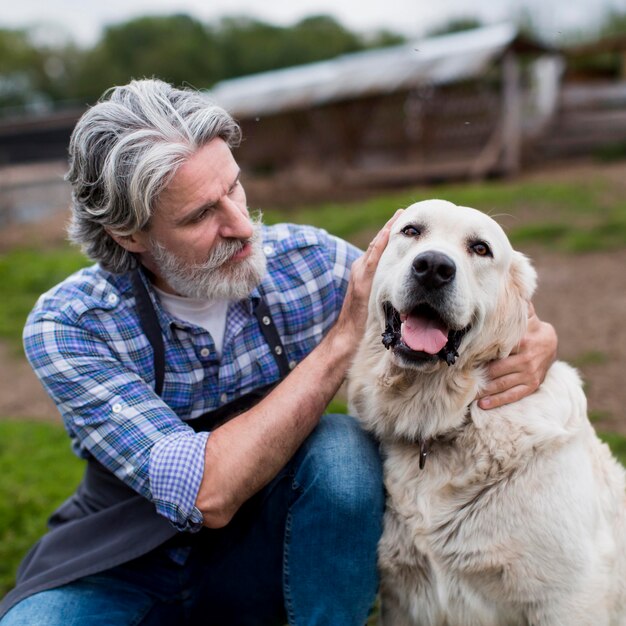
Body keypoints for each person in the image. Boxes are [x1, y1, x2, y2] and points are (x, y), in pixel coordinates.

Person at [0, 79, 557, 626]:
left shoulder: (307, 262)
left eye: (234, 188)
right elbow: (206, 493)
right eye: (200, 215)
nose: (242, 226)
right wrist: (341, 342)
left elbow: (462, 296)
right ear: (129, 235)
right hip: (118, 561)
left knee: (341, 453)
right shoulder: (72, 325)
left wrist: (538, 339)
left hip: (263, 547)